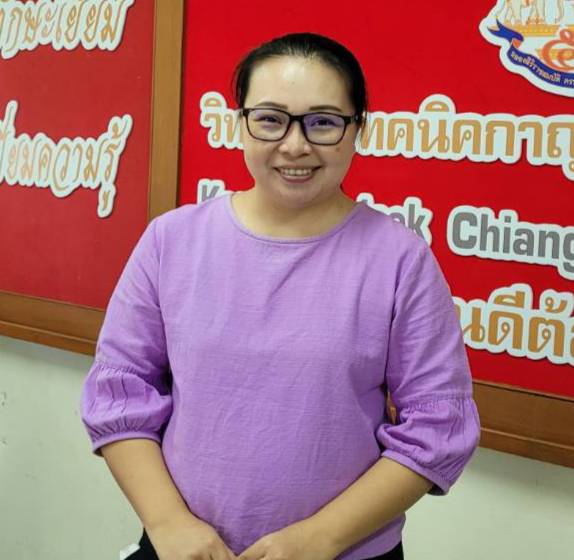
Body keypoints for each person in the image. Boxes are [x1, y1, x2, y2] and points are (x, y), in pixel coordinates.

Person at [80, 32, 481, 560]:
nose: (295, 145)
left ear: (358, 129)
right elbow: (121, 395)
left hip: (345, 552)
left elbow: (437, 427)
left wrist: (322, 537)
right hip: (183, 549)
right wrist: (168, 522)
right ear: (239, 124)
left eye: (323, 122)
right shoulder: (170, 241)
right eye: (270, 119)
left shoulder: (400, 260)